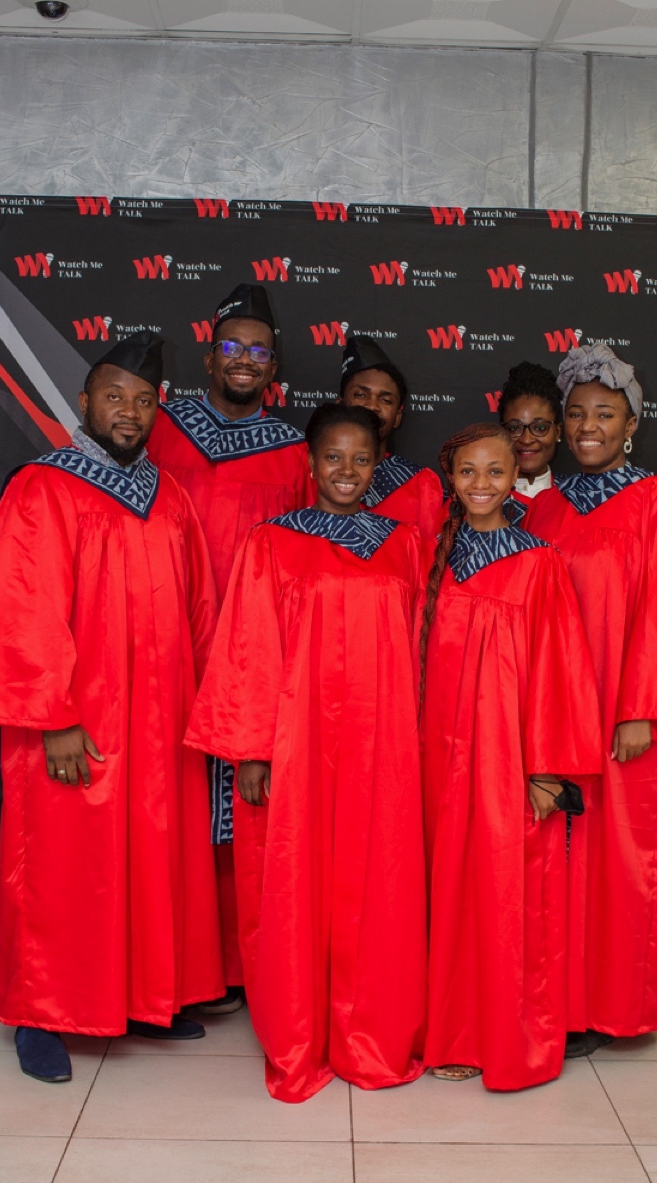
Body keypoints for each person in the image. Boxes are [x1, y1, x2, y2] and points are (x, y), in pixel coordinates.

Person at [0, 332, 224, 1082]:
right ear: (83, 401)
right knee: (60, 867)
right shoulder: (44, 487)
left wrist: (200, 712)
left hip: (159, 721)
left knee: (144, 862)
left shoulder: (168, 496)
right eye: (114, 396)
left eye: (143, 400)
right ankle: (39, 1014)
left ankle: (140, 997)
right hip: (76, 722)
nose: (129, 411)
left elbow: (198, 609)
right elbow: (24, 611)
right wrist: (55, 720)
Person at [186, 404, 427, 1103]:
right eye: (333, 457)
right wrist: (251, 752)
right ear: (311, 464)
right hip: (297, 744)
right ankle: (299, 1036)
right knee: (296, 885)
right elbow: (249, 648)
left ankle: (370, 1034)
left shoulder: (406, 544)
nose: (347, 470)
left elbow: (421, 652)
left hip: (384, 746)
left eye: (361, 459)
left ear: (377, 466)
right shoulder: (272, 542)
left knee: (378, 883)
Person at [523, 343, 657, 1057]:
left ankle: (616, 1009)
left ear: (631, 424)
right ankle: (564, 1004)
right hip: (561, 711)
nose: (588, 427)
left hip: (629, 713)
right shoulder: (544, 509)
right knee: (564, 858)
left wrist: (642, 707)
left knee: (626, 861)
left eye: (605, 414)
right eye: (576, 414)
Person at [146, 283, 313, 1016]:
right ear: (210, 355)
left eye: (259, 351)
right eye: (232, 346)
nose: (245, 359)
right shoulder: (160, 428)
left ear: (273, 366)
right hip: (166, 646)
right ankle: (172, 967)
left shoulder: (295, 451)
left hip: (253, 655)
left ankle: (240, 965)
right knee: (170, 808)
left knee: (245, 809)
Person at [420, 423, 601, 1090]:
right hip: (433, 755)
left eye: (496, 471)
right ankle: (445, 1030)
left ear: (516, 475)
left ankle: (498, 1033)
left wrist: (546, 771)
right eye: (468, 471)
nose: (482, 484)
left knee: (501, 893)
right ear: (451, 476)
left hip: (507, 755)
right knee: (440, 888)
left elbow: (559, 669)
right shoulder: (428, 554)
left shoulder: (539, 560)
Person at [339, 335, 443, 542]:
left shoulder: (420, 484)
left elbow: (429, 554)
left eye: (385, 400)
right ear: (340, 405)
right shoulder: (314, 474)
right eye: (360, 395)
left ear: (397, 418)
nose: (372, 406)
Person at [497, 360, 562, 513]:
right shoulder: (481, 499)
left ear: (557, 432)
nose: (526, 440)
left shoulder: (576, 498)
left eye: (540, 428)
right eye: (514, 428)